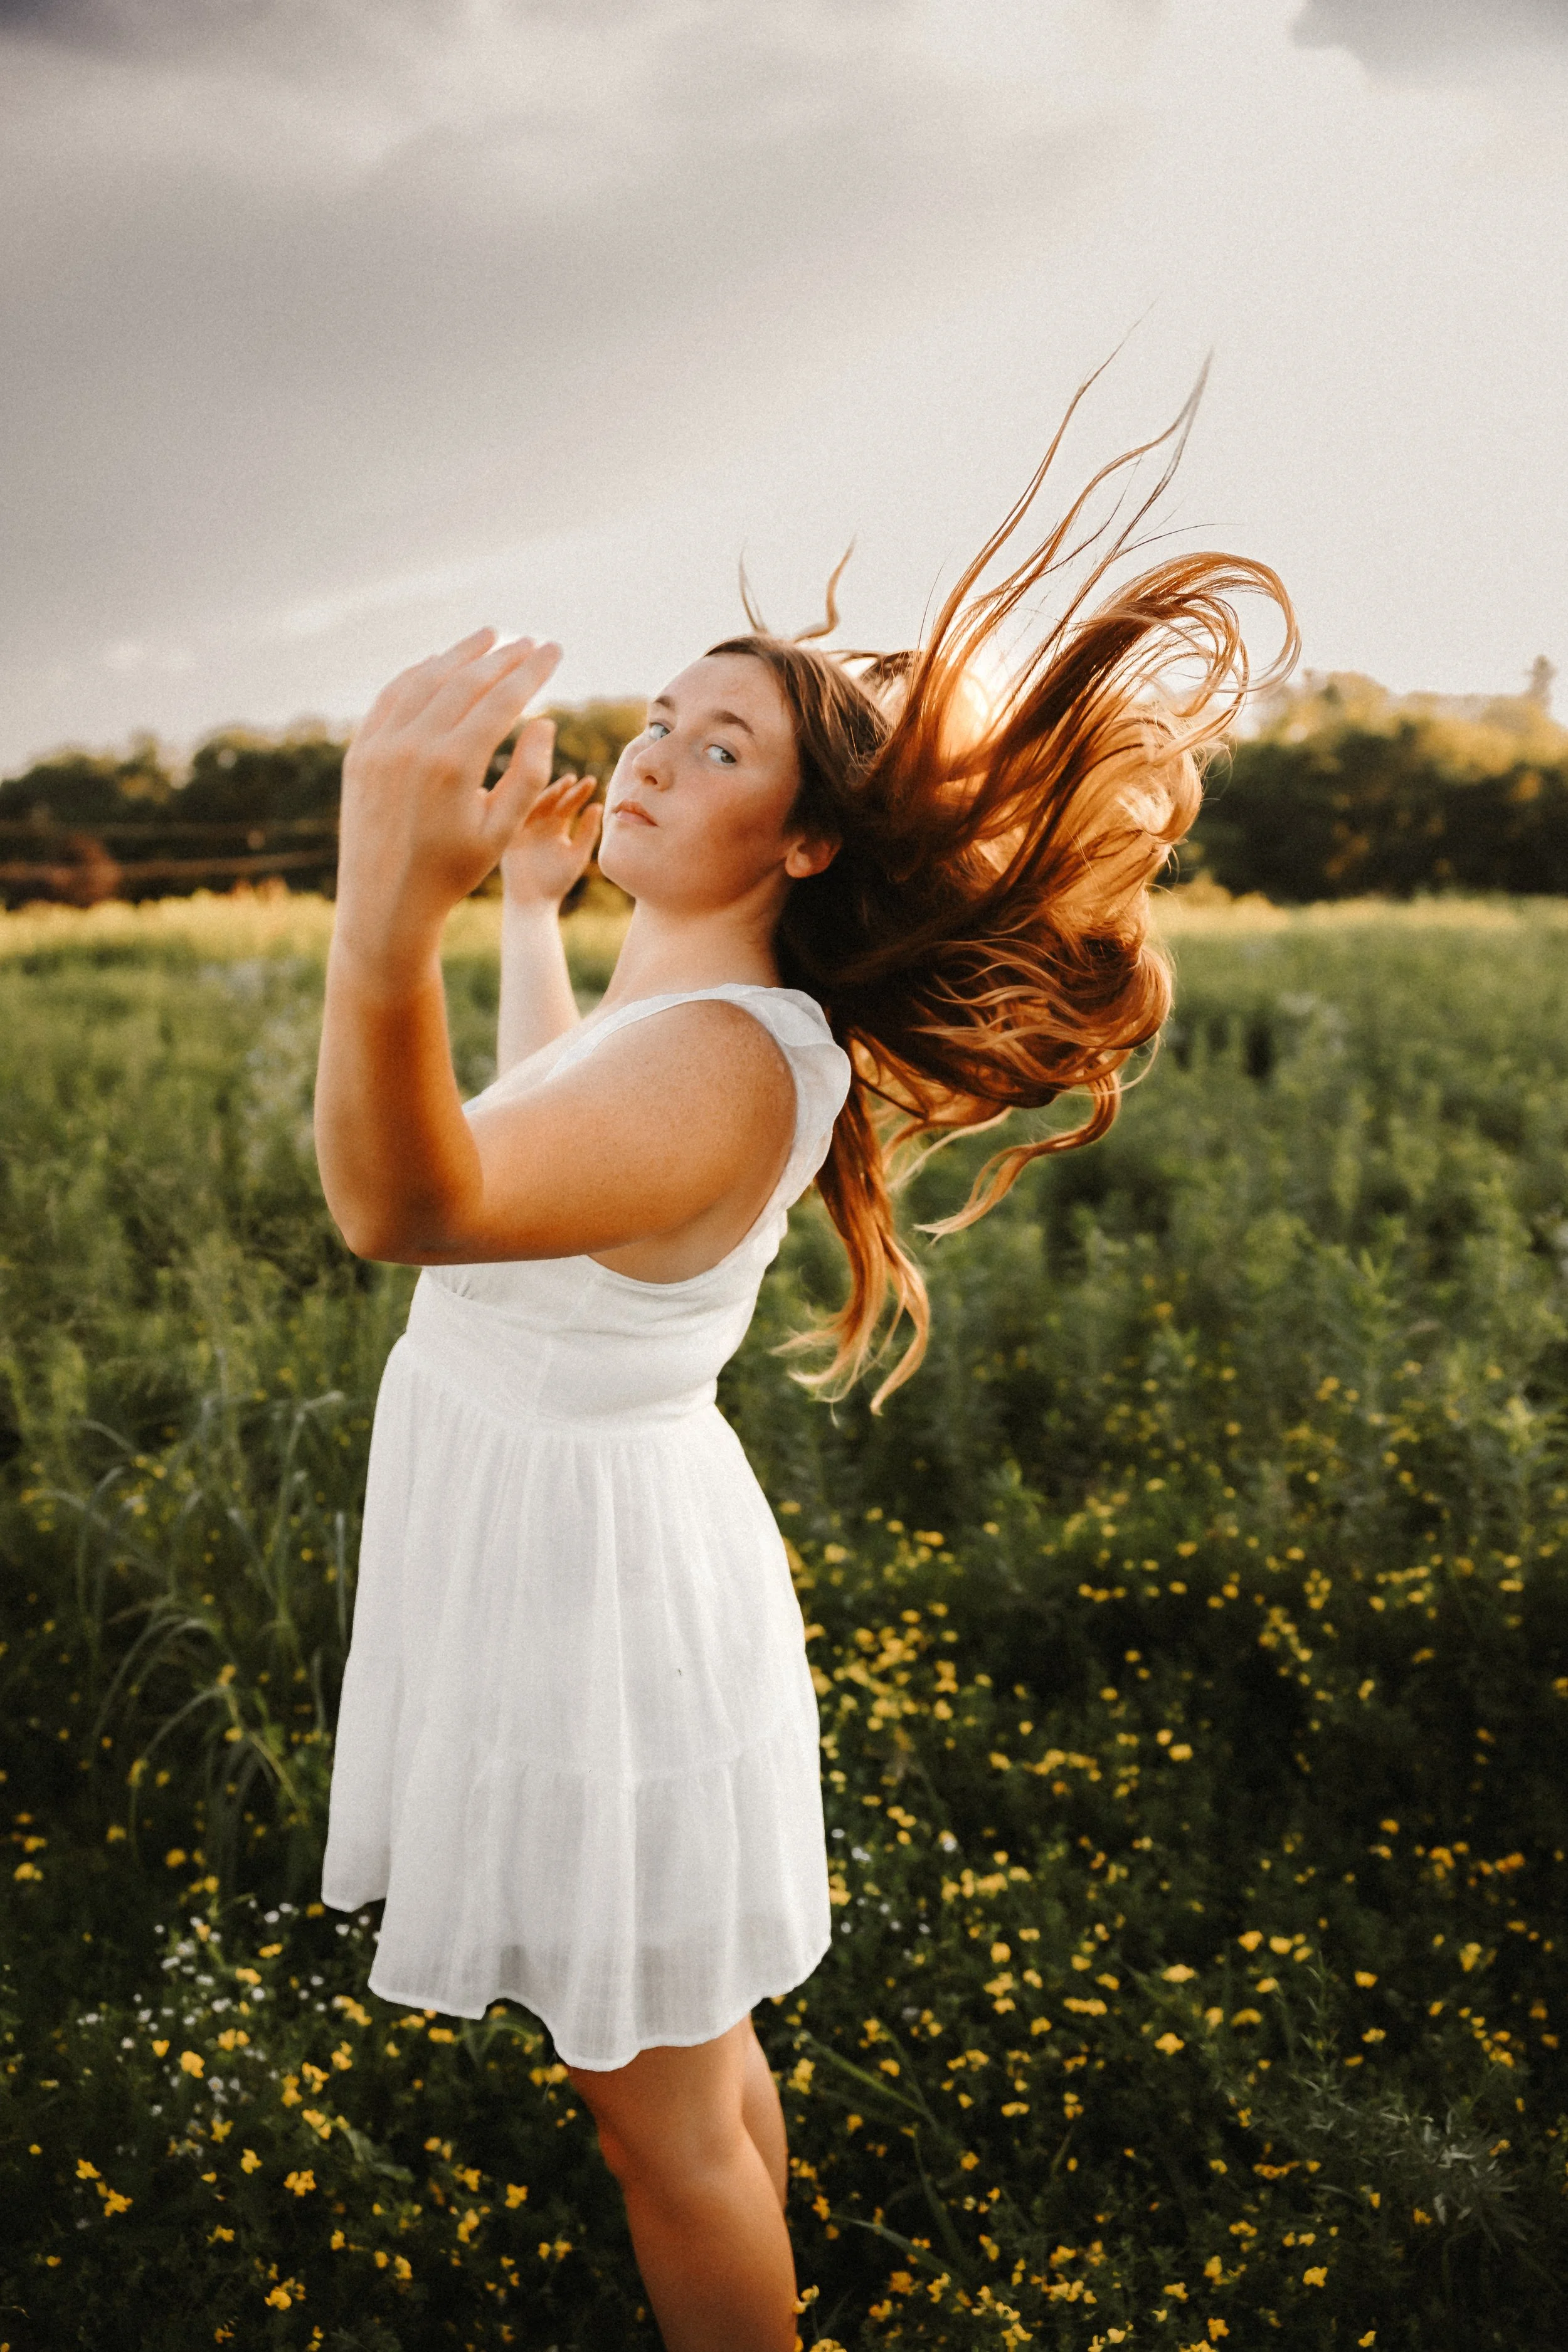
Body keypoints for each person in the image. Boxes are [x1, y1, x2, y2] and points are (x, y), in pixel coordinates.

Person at [314, 378, 1296, 2352]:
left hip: (588, 1595)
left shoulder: (717, 1057)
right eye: (659, 719)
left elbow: (405, 1203)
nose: (654, 755)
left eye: (720, 741)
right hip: (590, 1556)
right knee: (693, 2063)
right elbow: (525, 1132)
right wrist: (513, 908)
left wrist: (380, 913)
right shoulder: (682, 1016)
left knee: (656, 2127)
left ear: (814, 839)